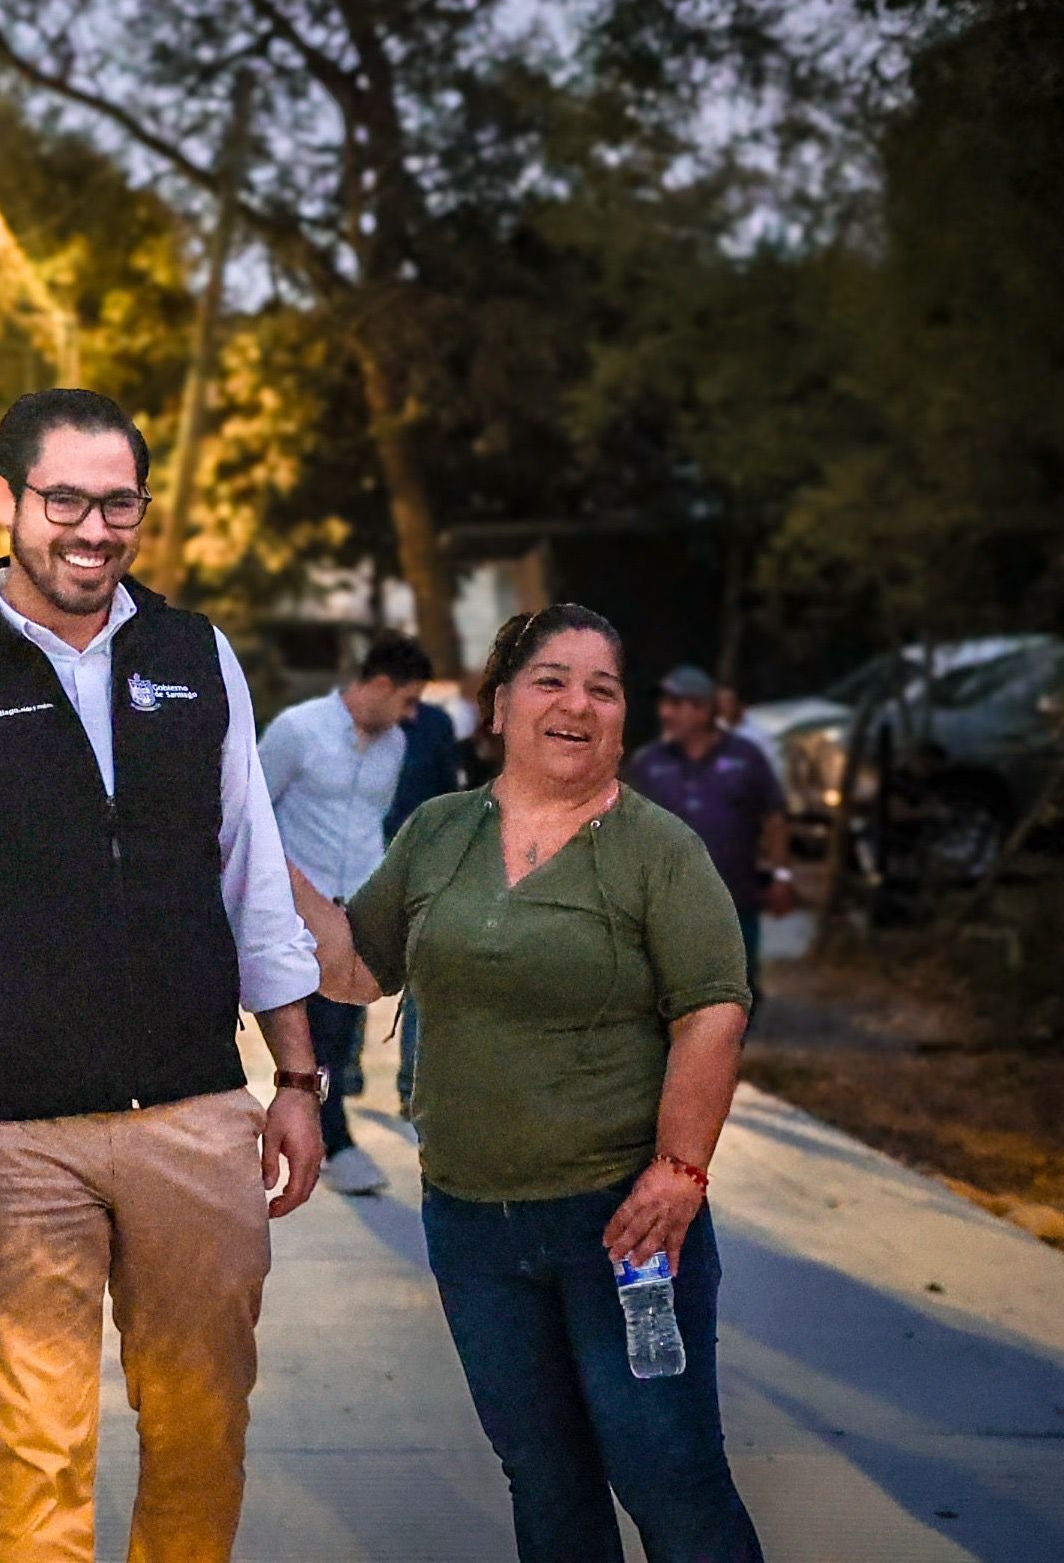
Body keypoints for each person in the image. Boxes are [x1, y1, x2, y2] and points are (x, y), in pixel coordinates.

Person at [0, 387, 328, 1563]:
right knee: (40, 1458)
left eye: (120, 504)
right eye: (65, 500)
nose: (92, 531)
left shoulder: (194, 656)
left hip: (196, 1117)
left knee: (204, 1432)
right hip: (5, 1138)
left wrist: (298, 1077)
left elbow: (252, 877)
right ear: (4, 498)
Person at [332, 604, 764, 1563]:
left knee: (670, 1479)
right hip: (470, 1222)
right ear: (498, 706)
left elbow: (713, 1011)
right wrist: (245, 842)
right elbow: (355, 969)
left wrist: (680, 1169)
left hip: (620, 1225)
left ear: (623, 719)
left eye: (602, 689)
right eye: (551, 681)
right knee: (546, 1479)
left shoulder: (659, 851)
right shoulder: (440, 831)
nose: (578, 704)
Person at [259, 634, 434, 1195]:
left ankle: (321, 1128)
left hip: (359, 908)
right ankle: (334, 1142)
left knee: (343, 1026)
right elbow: (253, 810)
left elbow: (372, 824)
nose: (411, 714)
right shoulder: (298, 730)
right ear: (380, 684)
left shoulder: (393, 746)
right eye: (407, 699)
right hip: (298, 909)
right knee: (317, 1033)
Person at [624, 664, 797, 1008]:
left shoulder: (746, 758)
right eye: (663, 704)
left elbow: (775, 816)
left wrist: (781, 875)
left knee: (736, 992)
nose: (664, 713)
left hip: (735, 902)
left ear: (702, 710)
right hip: (665, 909)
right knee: (666, 996)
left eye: (675, 704)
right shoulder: (648, 763)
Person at [385, 674, 466, 1113]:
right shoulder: (367, 724)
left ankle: (410, 1088)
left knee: (420, 977)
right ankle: (345, 1072)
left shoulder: (436, 725)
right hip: (370, 862)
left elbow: (449, 788)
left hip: (426, 863)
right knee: (357, 969)